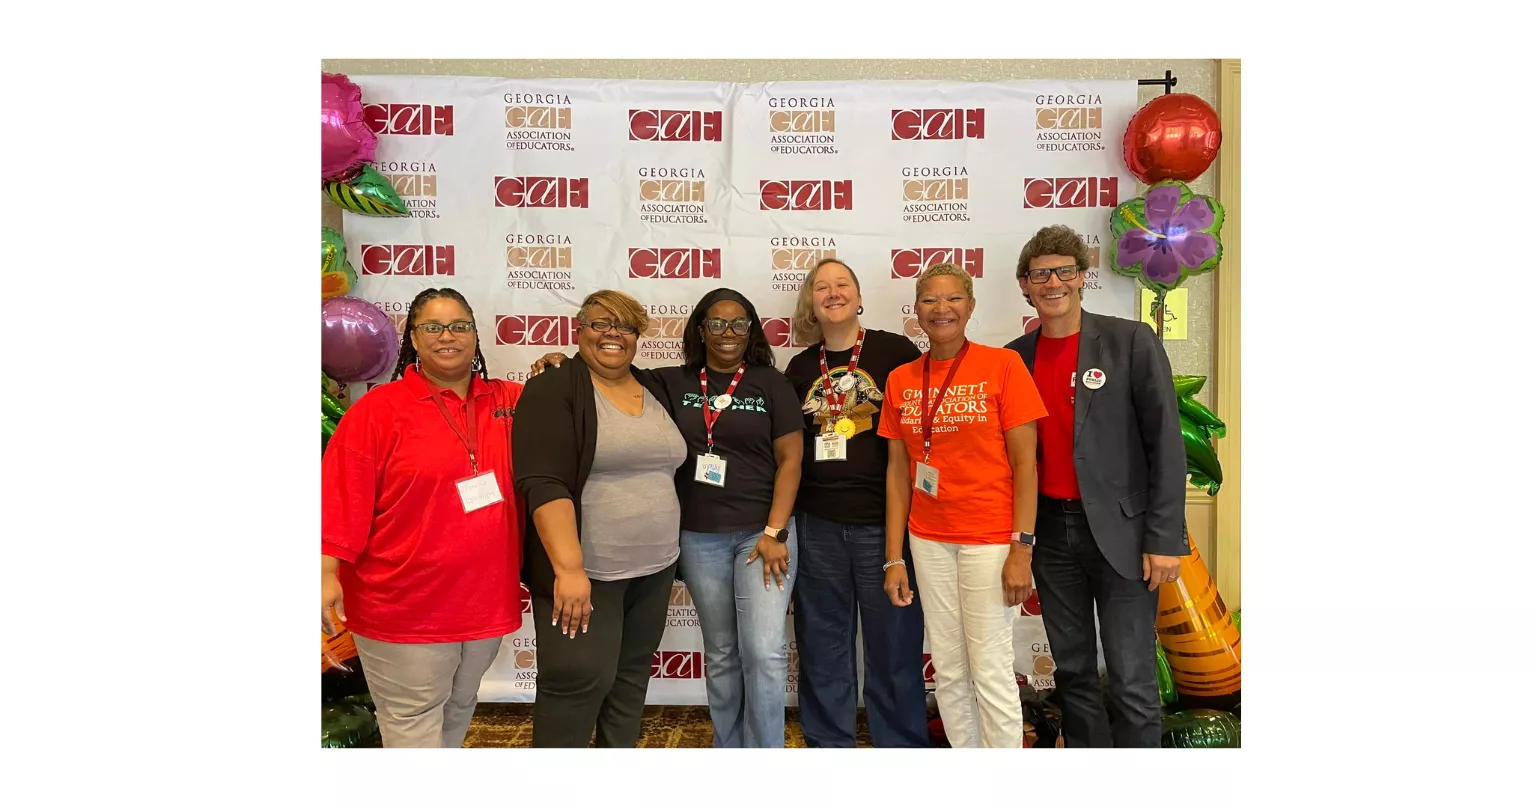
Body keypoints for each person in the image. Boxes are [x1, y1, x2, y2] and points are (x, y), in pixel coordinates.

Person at [533, 288, 804, 747]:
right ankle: (728, 746)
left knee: (764, 651)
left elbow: (792, 460)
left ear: (752, 330)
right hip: (699, 537)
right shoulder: (668, 382)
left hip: (763, 537)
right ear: (700, 329)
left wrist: (775, 530)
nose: (728, 333)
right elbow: (609, 374)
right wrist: (559, 363)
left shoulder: (771, 382)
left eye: (739, 323)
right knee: (720, 652)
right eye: (716, 323)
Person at [1003, 225, 1189, 748]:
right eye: (1041, 274)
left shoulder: (1131, 341)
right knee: (1075, 676)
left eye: (1065, 271)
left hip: (1125, 536)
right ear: (1025, 284)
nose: (1054, 282)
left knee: (1132, 680)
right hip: (1051, 535)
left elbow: (1166, 447)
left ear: (1083, 277)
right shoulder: (1014, 357)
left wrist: (1163, 538)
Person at [321, 287, 524, 748]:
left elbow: (575, 410)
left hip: (484, 604)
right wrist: (325, 572)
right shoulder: (377, 410)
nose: (446, 336)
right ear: (413, 337)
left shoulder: (512, 400)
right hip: (403, 606)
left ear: (476, 335)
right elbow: (339, 496)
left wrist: (559, 372)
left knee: (457, 711)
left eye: (459, 326)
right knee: (412, 725)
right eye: (432, 327)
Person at [878, 263, 1048, 749]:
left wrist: (1022, 548)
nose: (941, 309)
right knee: (949, 668)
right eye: (930, 299)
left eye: (952, 299)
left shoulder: (1003, 366)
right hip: (927, 539)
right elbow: (897, 475)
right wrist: (894, 558)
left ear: (970, 307)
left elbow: (1026, 466)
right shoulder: (901, 379)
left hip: (991, 539)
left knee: (990, 667)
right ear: (917, 310)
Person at [512, 290, 687, 748]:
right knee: (576, 682)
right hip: (588, 572)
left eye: (625, 326)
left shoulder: (655, 386)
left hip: (655, 567)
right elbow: (543, 482)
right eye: (599, 323)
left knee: (629, 683)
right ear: (578, 329)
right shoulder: (553, 386)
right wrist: (568, 570)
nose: (613, 333)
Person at [782, 258, 928, 748]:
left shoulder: (895, 351)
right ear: (811, 303)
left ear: (860, 295)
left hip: (883, 524)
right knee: (822, 645)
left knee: (894, 644)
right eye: (821, 287)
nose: (833, 292)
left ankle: (901, 746)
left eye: (843, 283)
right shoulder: (801, 367)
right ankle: (829, 746)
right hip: (816, 524)